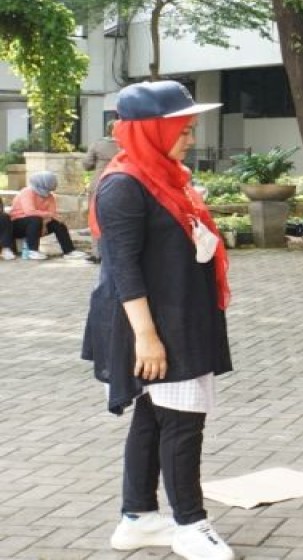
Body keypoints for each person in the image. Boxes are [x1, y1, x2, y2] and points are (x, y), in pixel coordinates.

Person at [80, 80, 235, 560]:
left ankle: (138, 518)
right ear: (151, 130)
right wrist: (147, 339)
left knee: (153, 418)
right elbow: (122, 268)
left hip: (182, 313)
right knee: (183, 422)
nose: (190, 138)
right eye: (182, 130)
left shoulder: (165, 176)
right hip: (152, 323)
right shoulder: (124, 184)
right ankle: (190, 524)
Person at [8, 170, 86, 260]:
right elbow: (29, 211)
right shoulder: (27, 192)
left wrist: (46, 221)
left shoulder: (50, 196)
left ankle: (69, 251)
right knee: (35, 219)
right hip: (18, 225)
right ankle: (32, 251)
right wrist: (47, 216)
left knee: (58, 224)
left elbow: (52, 214)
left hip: (39, 223)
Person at [83, 120, 122, 262]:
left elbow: (87, 164)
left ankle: (97, 253)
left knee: (95, 218)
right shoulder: (127, 145)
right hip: (122, 183)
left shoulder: (98, 144)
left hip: (99, 183)